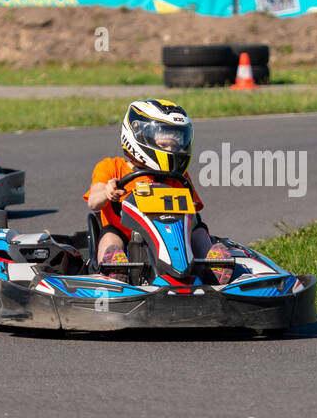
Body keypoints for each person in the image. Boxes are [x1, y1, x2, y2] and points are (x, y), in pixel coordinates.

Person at [84, 99, 231, 284]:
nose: (172, 150)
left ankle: (213, 265)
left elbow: (192, 210)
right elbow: (93, 202)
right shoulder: (111, 167)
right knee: (111, 235)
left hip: (170, 235)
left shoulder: (178, 176)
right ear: (138, 136)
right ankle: (114, 269)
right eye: (164, 145)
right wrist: (107, 192)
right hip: (125, 235)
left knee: (198, 229)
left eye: (176, 146)